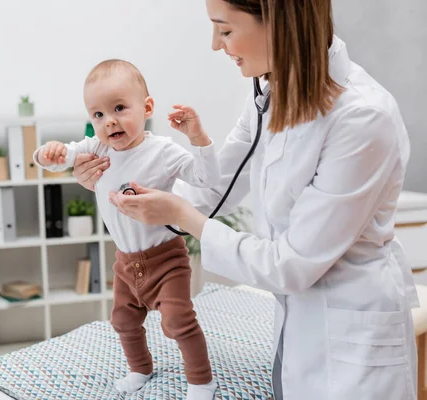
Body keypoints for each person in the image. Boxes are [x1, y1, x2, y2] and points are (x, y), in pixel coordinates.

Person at [71, 0, 420, 399]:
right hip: (297, 328)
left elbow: (291, 264)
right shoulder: (271, 95)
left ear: (279, 23)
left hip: (352, 344)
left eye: (225, 29)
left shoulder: (362, 118)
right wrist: (112, 180)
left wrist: (185, 217)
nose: (217, 45)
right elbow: (214, 186)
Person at [33, 59, 221, 399]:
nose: (110, 121)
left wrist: (199, 139)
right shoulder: (97, 147)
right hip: (125, 263)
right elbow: (62, 159)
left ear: (146, 108)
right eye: (98, 115)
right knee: (123, 321)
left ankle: (201, 380)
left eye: (119, 108)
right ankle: (140, 368)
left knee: (177, 321)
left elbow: (208, 180)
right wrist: (46, 154)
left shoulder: (162, 152)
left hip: (166, 260)